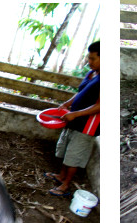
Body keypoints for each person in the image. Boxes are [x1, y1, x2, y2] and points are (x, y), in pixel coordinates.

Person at [42, 41, 99, 197]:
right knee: (67, 150)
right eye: (89, 58)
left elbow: (100, 106)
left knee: (74, 155)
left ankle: (66, 185)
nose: (90, 62)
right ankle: (61, 176)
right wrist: (69, 103)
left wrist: (76, 113)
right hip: (73, 120)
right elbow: (81, 92)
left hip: (87, 125)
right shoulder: (92, 73)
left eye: (93, 59)